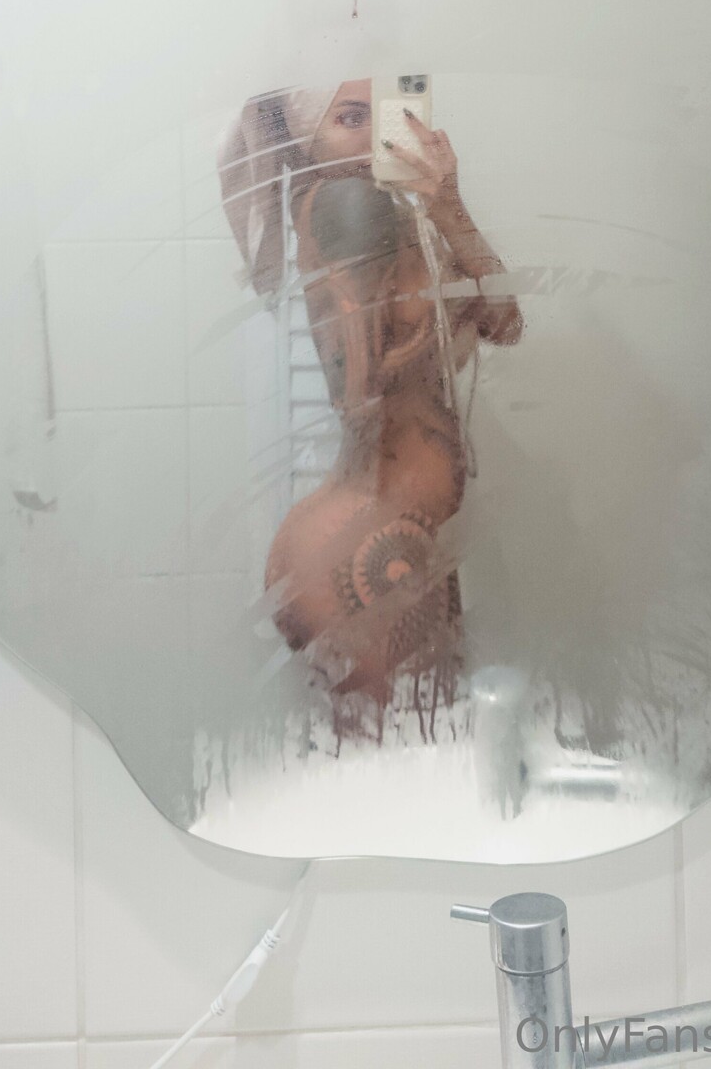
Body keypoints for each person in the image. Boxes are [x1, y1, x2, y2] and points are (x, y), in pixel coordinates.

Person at [218, 81, 521, 705]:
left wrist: (448, 207)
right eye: (350, 118)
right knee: (410, 738)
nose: (375, 133)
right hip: (379, 524)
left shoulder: (392, 212)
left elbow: (506, 323)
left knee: (393, 745)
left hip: (390, 520)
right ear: (308, 141)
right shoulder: (352, 204)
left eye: (381, 112)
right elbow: (362, 393)